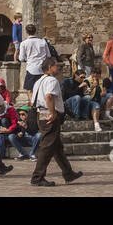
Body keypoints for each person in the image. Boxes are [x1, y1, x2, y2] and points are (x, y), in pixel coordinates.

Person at [30, 55, 82, 187]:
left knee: (56, 147)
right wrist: (53, 113)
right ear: (49, 67)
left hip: (41, 113)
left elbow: (32, 100)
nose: (58, 67)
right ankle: (37, 177)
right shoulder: (51, 81)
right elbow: (49, 97)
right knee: (47, 147)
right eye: (55, 65)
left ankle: (68, 173)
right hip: (49, 114)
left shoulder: (38, 81)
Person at [17, 25, 49, 91]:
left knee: (29, 90)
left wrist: (26, 58)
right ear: (35, 31)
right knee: (42, 89)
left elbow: (21, 58)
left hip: (31, 68)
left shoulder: (24, 43)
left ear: (26, 32)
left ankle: (32, 101)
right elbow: (48, 55)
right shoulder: (43, 42)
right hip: (42, 68)